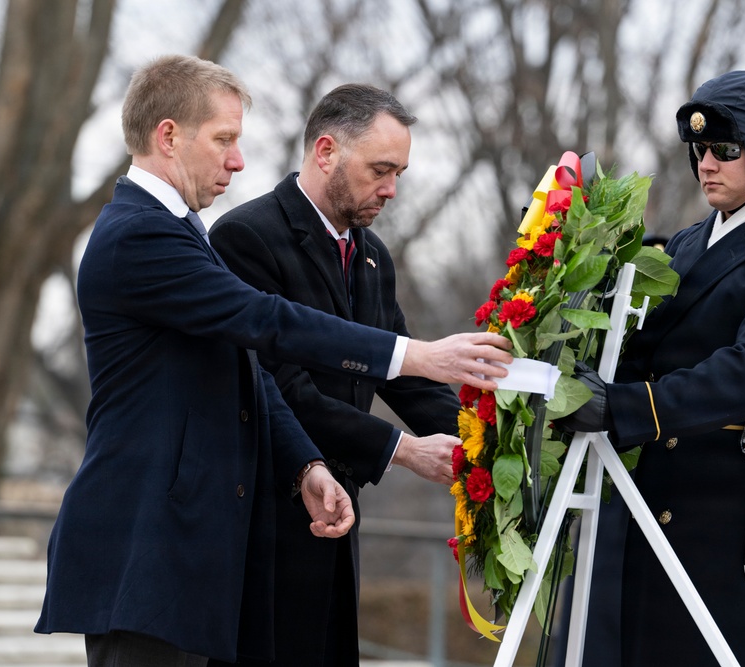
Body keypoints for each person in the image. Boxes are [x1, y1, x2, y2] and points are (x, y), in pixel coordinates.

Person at [33, 54, 512, 667]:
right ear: (169, 136)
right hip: (146, 545)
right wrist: (417, 356)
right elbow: (266, 320)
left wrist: (305, 465)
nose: (238, 160)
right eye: (224, 139)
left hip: (183, 553)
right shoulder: (139, 234)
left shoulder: (181, 231)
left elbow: (247, 371)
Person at [560, 70, 745, 665]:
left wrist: (623, 407)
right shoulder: (688, 243)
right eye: (698, 149)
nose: (706, 164)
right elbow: (642, 351)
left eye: (725, 149)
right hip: (647, 490)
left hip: (731, 500)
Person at [204, 84, 462, 666]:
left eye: (398, 174)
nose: (391, 189)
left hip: (340, 518)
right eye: (380, 170)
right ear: (326, 151)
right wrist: (401, 450)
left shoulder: (374, 257)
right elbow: (279, 387)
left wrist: (483, 439)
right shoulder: (246, 238)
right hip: (266, 518)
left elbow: (404, 375)